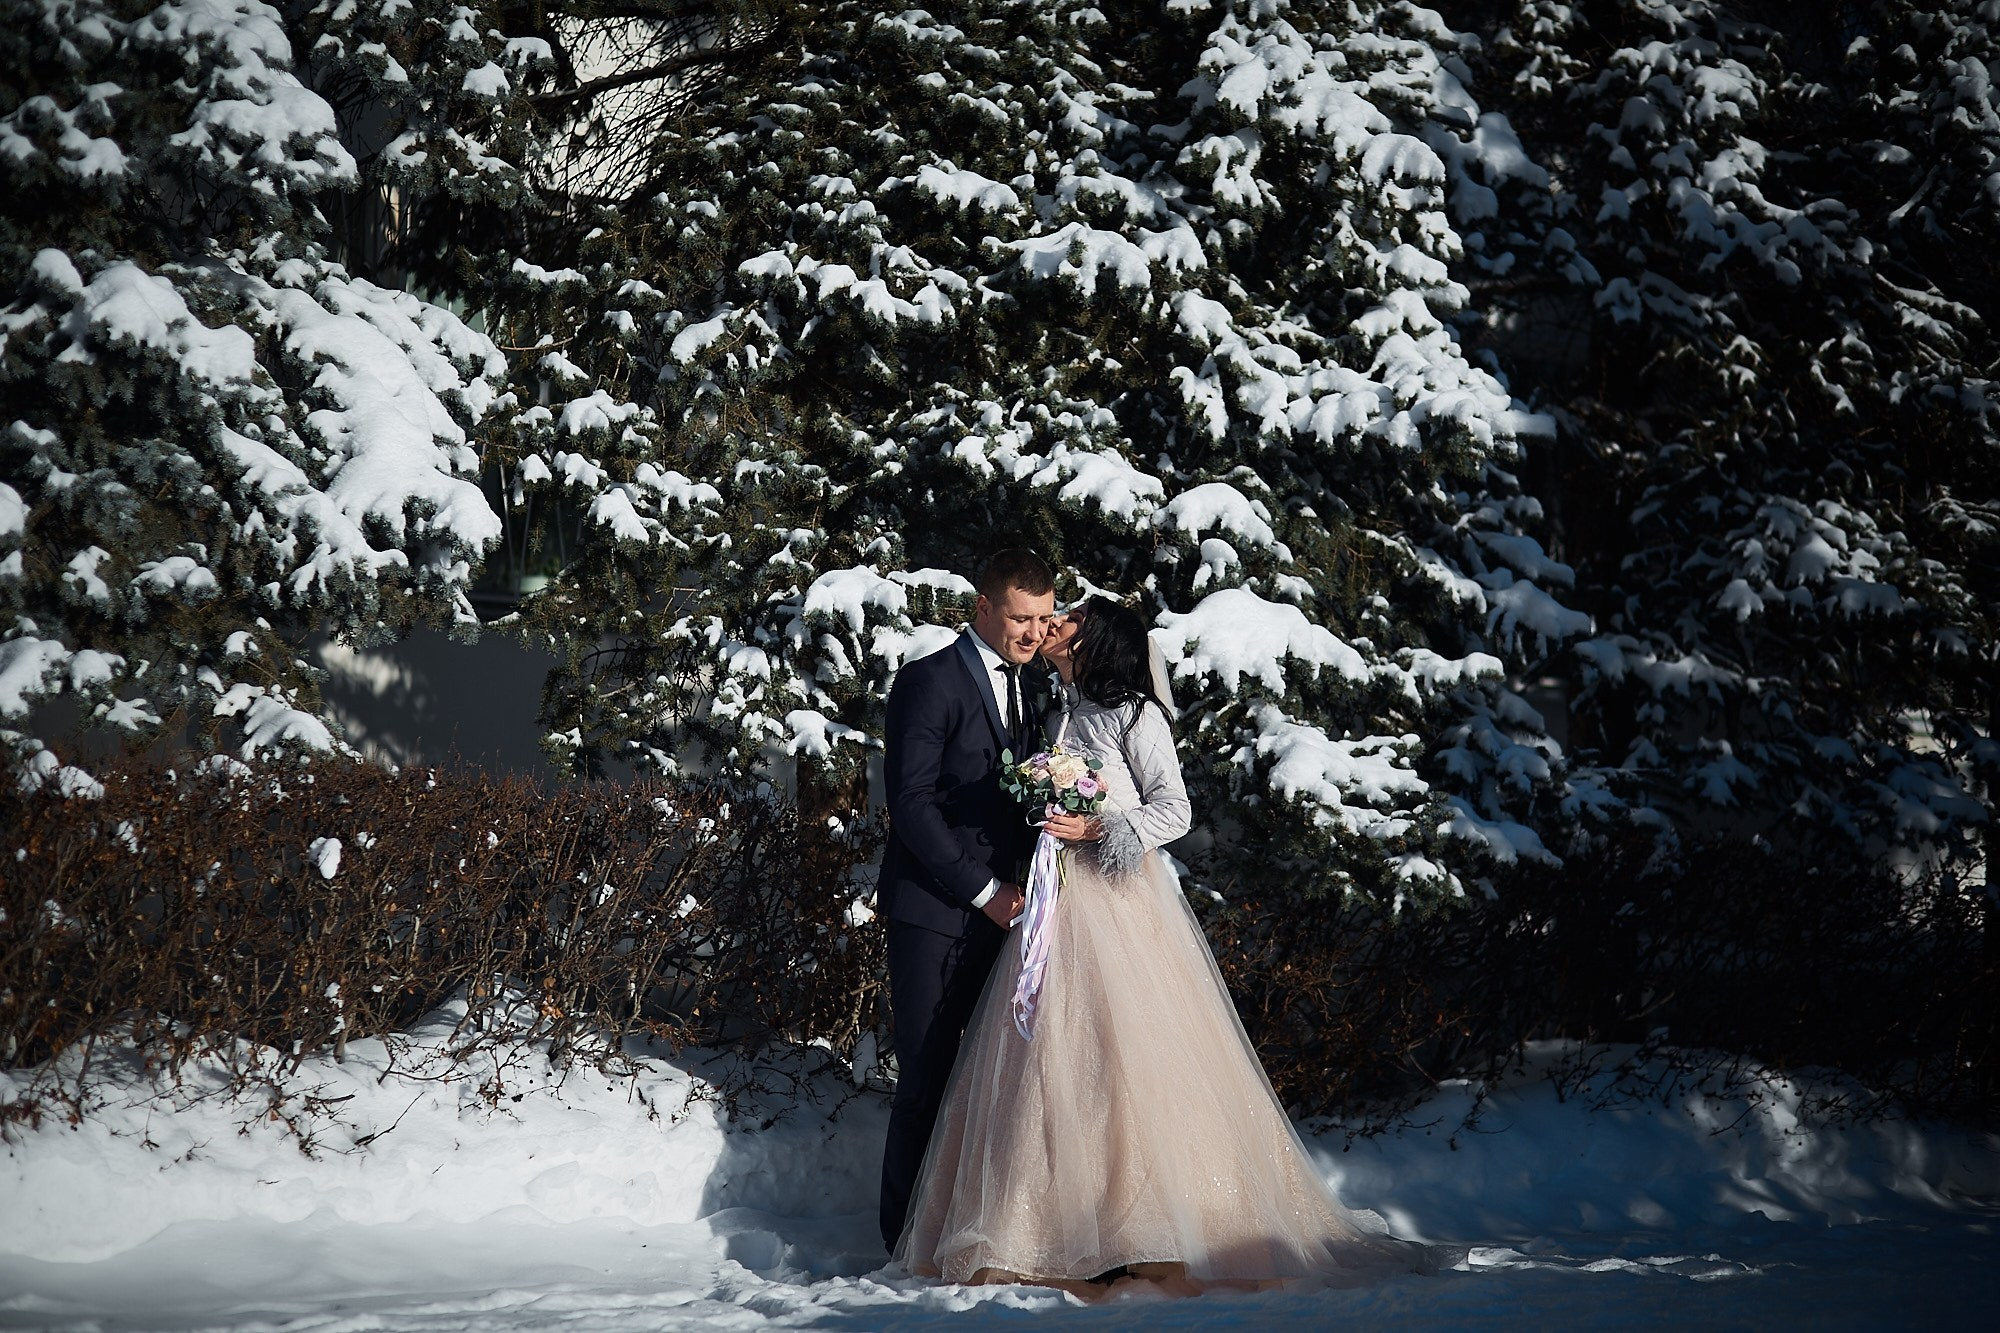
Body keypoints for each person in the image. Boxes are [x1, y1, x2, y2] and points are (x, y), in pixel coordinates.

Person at [892, 597, 1432, 1294]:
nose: (1056, 623)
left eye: (1071, 617)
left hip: (1118, 908)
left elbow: (1173, 808)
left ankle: (1147, 1228)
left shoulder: (1136, 714)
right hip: (1058, 904)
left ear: (1098, 641)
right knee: (1058, 1065)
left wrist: (1097, 829)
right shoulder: (1055, 705)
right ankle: (1057, 1226)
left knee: (1127, 1061)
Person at [876, 548, 1058, 1251]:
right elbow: (912, 804)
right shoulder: (930, 680)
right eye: (1019, 617)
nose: (1033, 632)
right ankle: (902, 1244)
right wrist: (984, 891)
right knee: (925, 1078)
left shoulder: (1037, 688)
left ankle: (973, 1232)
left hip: (1015, 916)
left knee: (996, 1083)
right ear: (982, 608)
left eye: (1043, 618)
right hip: (936, 912)